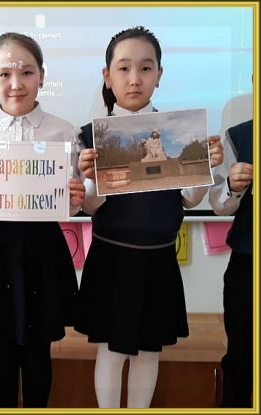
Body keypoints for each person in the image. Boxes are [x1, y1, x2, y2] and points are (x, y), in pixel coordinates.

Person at [74, 26, 224, 408]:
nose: (134, 79)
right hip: (111, 257)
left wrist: (204, 170)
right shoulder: (89, 137)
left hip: (159, 257)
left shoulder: (177, 132)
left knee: (148, 351)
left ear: (159, 74)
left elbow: (189, 200)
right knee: (111, 350)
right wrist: (91, 178)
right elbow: (89, 208)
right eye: (123, 68)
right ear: (107, 76)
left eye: (145, 68)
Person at [0, 32, 85, 408]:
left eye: (26, 72)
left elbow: (70, 204)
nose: (16, 83)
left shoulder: (64, 132)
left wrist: (75, 200)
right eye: (4, 74)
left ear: (41, 76)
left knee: (39, 348)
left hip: (42, 249)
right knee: (1, 349)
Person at [209, 119, 253, 407]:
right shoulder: (239, 136)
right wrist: (232, 186)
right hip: (248, 265)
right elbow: (219, 204)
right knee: (241, 358)